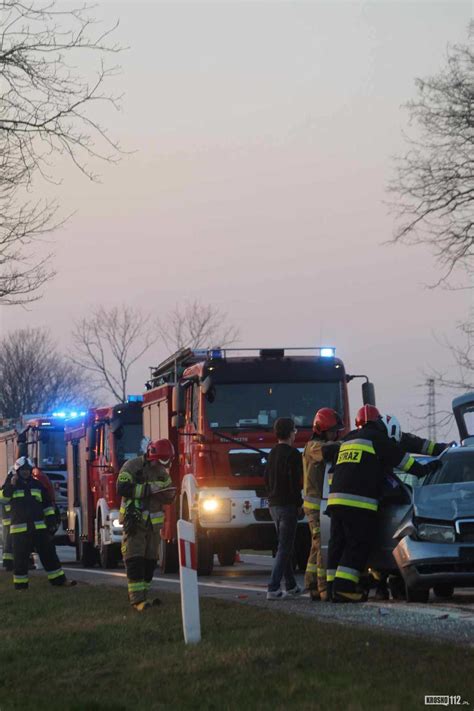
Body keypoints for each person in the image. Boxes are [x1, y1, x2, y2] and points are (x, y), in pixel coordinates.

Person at [326, 406, 441, 603]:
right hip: (358, 504)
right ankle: (344, 589)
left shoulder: (349, 439)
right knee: (356, 545)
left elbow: (332, 472)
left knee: (338, 544)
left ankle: (330, 588)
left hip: (335, 501)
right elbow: (404, 462)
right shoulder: (379, 439)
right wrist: (426, 469)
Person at [117, 439, 176, 612]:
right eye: (161, 460)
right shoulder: (132, 466)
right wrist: (149, 489)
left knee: (150, 562)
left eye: (166, 461)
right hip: (134, 522)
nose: (163, 465)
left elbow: (167, 493)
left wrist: (169, 494)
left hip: (153, 526)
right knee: (135, 559)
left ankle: (144, 597)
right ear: (152, 455)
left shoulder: (162, 472)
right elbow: (122, 488)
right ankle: (137, 601)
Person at [0, 457, 75, 590]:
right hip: (19, 531)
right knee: (20, 560)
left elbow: (46, 504)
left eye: (27, 470)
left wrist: (51, 519)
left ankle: (59, 581)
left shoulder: (37, 485)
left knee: (49, 555)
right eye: (22, 470)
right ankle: (21, 587)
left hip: (39, 528)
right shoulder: (10, 485)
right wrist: (11, 484)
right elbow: (4, 499)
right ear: (17, 471)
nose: (25, 472)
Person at [303, 407, 343, 601]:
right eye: (333, 431)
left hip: (319, 504)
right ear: (322, 429)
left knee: (315, 545)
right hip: (314, 505)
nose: (336, 435)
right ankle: (323, 588)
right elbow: (328, 450)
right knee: (321, 545)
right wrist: (347, 443)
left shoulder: (320, 444)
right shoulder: (313, 447)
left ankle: (310, 584)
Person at [264, 417, 303, 601]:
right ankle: (273, 587)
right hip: (288, 505)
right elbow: (295, 483)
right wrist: (299, 503)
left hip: (273, 504)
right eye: (294, 430)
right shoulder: (294, 455)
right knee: (285, 547)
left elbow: (266, 479)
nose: (296, 433)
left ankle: (291, 585)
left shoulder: (271, 454)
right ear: (289, 433)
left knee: (285, 546)